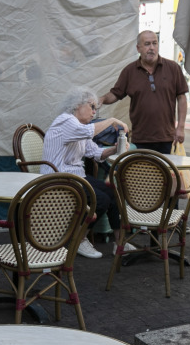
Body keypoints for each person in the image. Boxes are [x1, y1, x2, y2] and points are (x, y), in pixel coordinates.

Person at [40, 87, 130, 259]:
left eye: (96, 108)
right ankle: (78, 240)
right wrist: (111, 120)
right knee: (101, 199)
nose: (94, 112)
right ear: (77, 105)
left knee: (111, 191)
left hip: (74, 176)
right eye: (92, 107)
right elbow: (88, 132)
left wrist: (114, 149)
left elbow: (96, 153)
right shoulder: (66, 121)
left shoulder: (81, 126)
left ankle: (120, 243)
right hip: (58, 177)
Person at [98, 30, 188, 154]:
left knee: (164, 173)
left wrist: (181, 127)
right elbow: (115, 94)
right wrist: (102, 99)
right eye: (147, 44)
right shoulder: (129, 71)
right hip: (140, 138)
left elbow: (182, 97)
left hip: (166, 138)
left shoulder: (173, 68)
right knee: (143, 173)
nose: (151, 48)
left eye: (154, 43)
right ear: (138, 48)